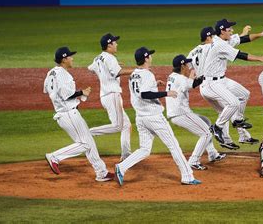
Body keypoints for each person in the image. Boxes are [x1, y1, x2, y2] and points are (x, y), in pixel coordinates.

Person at [115, 47, 201, 186]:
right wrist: (166, 93)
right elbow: (144, 94)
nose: (151, 58)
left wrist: (155, 85)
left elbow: (140, 92)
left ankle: (121, 167)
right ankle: (187, 176)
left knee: (144, 149)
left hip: (141, 118)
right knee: (173, 146)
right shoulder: (147, 74)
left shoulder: (134, 74)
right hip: (154, 117)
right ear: (146, 58)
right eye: (150, 56)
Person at [43, 47, 114, 182]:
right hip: (68, 114)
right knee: (85, 144)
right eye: (70, 56)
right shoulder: (63, 74)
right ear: (64, 59)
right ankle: (55, 156)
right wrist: (82, 92)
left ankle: (101, 172)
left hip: (65, 113)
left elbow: (49, 91)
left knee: (89, 142)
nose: (72, 58)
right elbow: (66, 95)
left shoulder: (51, 73)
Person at [199, 19, 263, 146]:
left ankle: (237, 120)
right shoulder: (219, 44)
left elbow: (244, 39)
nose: (232, 31)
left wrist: (260, 34)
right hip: (211, 84)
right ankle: (217, 127)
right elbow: (241, 55)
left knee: (244, 94)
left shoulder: (223, 40)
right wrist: (260, 58)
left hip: (221, 80)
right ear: (222, 31)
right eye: (229, 29)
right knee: (233, 103)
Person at [165, 54, 226, 170]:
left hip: (178, 113)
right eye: (187, 64)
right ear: (182, 66)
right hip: (180, 114)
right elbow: (192, 84)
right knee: (206, 133)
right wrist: (206, 75)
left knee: (206, 121)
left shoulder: (172, 76)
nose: (188, 66)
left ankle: (212, 153)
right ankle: (193, 161)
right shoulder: (180, 78)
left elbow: (187, 82)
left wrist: (193, 75)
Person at [88, 33, 132, 161]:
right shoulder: (110, 58)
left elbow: (90, 68)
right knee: (118, 126)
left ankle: (126, 155)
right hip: (112, 95)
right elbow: (118, 72)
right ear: (109, 45)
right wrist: (137, 70)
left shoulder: (98, 58)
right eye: (114, 42)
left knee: (126, 125)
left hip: (106, 96)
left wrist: (108, 67)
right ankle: (89, 132)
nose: (116, 44)